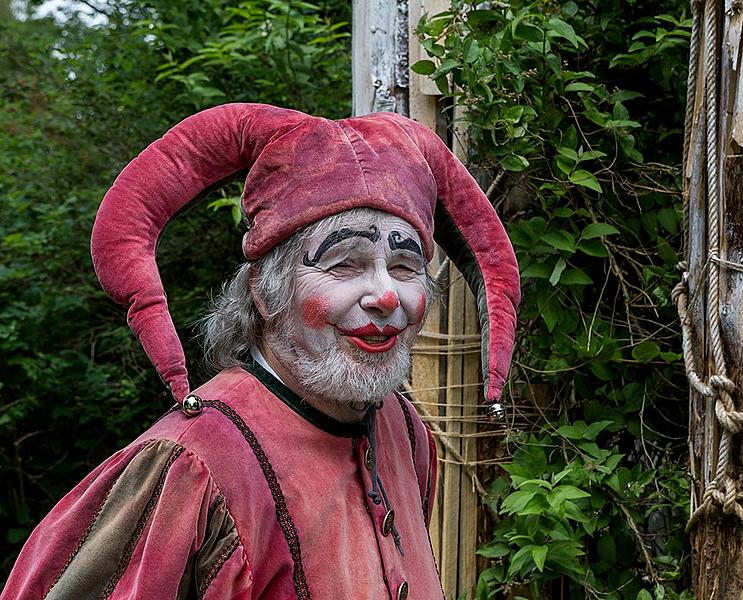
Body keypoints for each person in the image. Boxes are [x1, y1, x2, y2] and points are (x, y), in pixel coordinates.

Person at [0, 104, 520, 599]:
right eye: (343, 264)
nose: (387, 296)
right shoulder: (191, 464)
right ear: (265, 293)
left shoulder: (404, 431)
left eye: (405, 267)